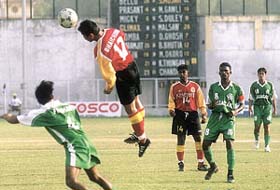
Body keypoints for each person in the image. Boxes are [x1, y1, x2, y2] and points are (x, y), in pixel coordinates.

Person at [1, 80, 114, 190]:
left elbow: (13, 119)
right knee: (95, 177)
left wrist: (5, 115)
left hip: (75, 146)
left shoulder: (46, 112)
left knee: (71, 181)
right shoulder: (68, 106)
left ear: (39, 99)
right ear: (52, 95)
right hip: (86, 142)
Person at [78, 20, 150, 157]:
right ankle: (140, 133)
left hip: (123, 74)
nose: (85, 38)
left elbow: (109, 75)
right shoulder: (113, 31)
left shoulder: (100, 50)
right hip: (132, 65)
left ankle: (143, 140)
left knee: (130, 109)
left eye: (84, 36)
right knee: (137, 102)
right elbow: (122, 36)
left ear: (91, 35)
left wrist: (109, 87)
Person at [202, 62, 245, 183]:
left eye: (226, 71)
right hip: (215, 119)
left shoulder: (236, 88)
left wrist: (235, 111)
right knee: (205, 145)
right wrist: (212, 105)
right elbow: (209, 104)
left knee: (229, 144)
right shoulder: (213, 87)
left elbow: (242, 104)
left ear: (230, 72)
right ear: (219, 72)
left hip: (228, 120)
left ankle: (230, 173)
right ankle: (213, 166)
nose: (224, 73)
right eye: (221, 71)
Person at [168, 64, 208, 172]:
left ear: (187, 73)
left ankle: (200, 163)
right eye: (180, 72)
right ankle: (181, 163)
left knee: (198, 138)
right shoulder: (174, 87)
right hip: (180, 114)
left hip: (193, 114)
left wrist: (204, 114)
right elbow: (171, 100)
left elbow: (201, 102)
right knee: (181, 139)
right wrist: (171, 110)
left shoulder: (195, 86)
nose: (182, 74)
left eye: (184, 72)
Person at [248, 67, 277, 152]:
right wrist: (250, 108)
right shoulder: (254, 85)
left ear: (265, 75)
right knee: (257, 126)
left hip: (267, 108)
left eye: (262, 74)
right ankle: (257, 141)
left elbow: (273, 98)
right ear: (257, 75)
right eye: (259, 74)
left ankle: (267, 145)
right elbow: (250, 98)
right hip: (257, 107)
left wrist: (274, 109)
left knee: (267, 126)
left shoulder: (270, 85)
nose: (261, 75)